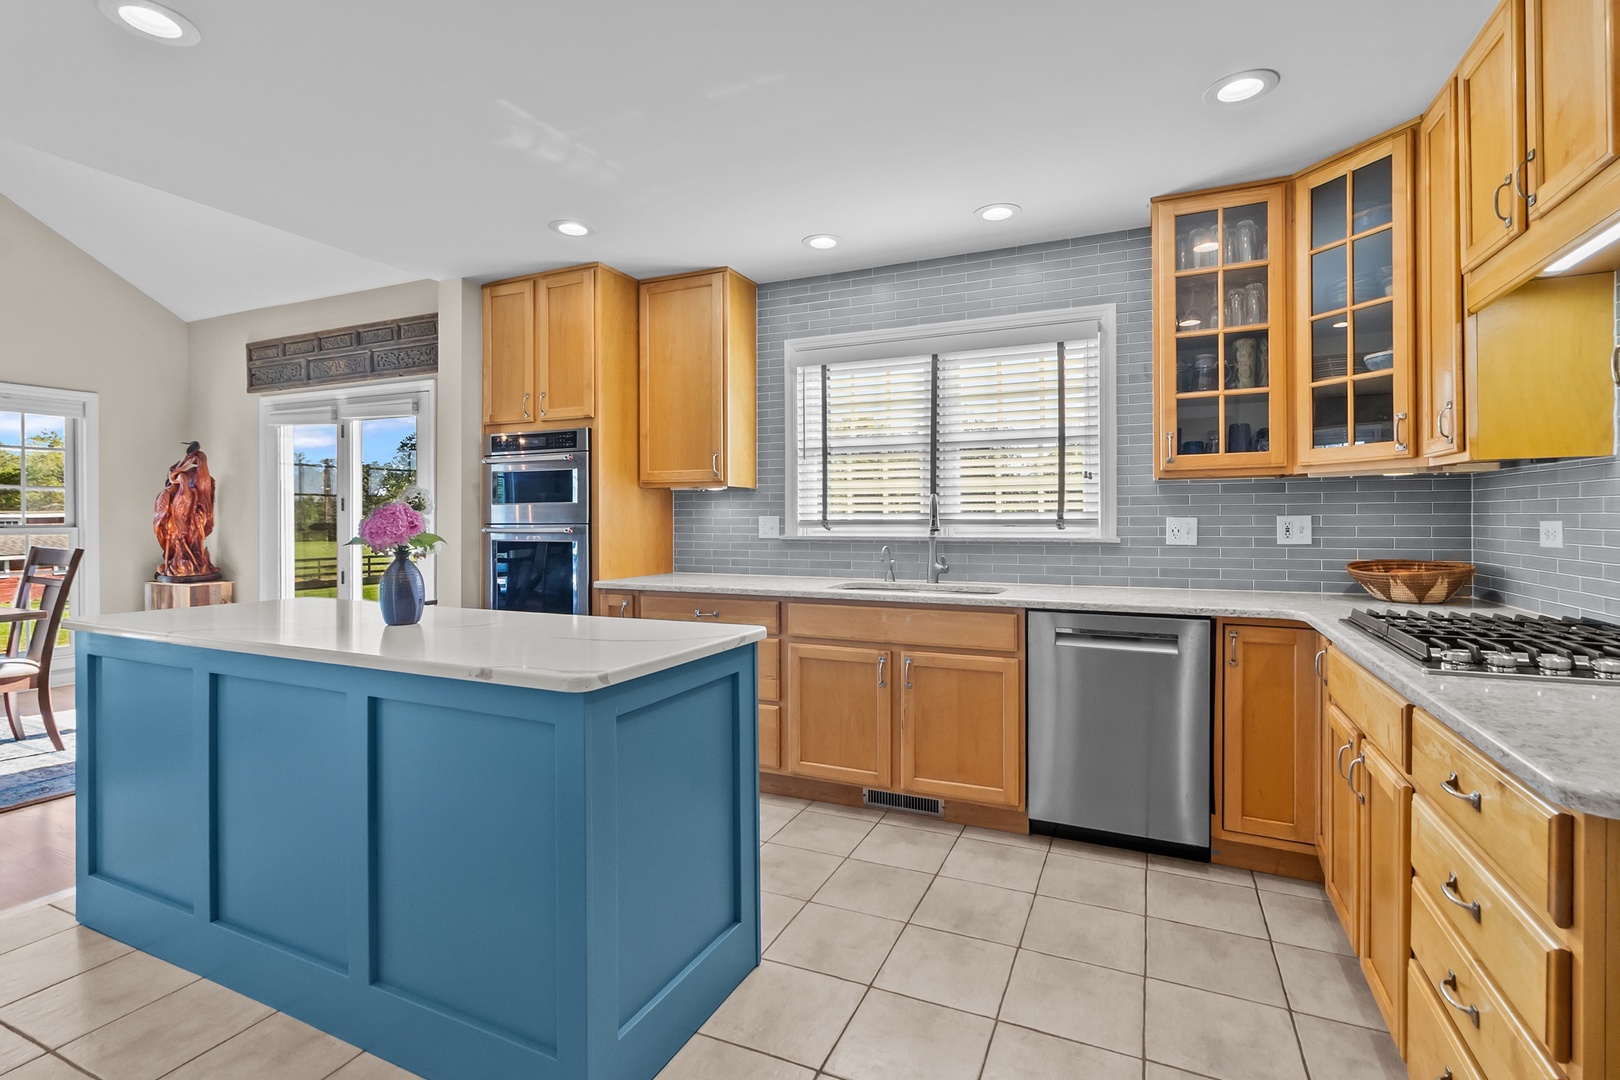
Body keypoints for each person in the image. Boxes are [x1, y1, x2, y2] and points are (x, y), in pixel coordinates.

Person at [153, 441, 221, 582]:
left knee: (194, 535)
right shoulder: (167, 494)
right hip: (175, 531)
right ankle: (179, 563)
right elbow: (160, 524)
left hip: (192, 527)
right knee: (180, 538)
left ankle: (196, 562)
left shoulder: (197, 485)